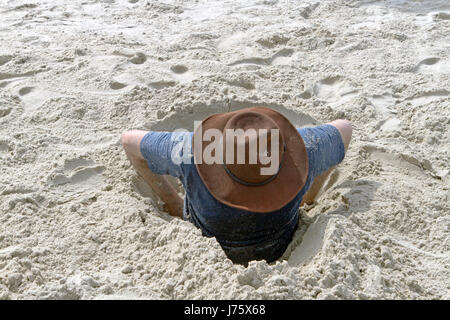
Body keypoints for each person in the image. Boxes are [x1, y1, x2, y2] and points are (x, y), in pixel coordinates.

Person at [121, 107, 352, 264]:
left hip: (207, 241)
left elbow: (129, 141)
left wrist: (173, 202)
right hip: (279, 244)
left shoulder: (190, 151)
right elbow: (344, 128)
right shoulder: (306, 151)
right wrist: (308, 194)